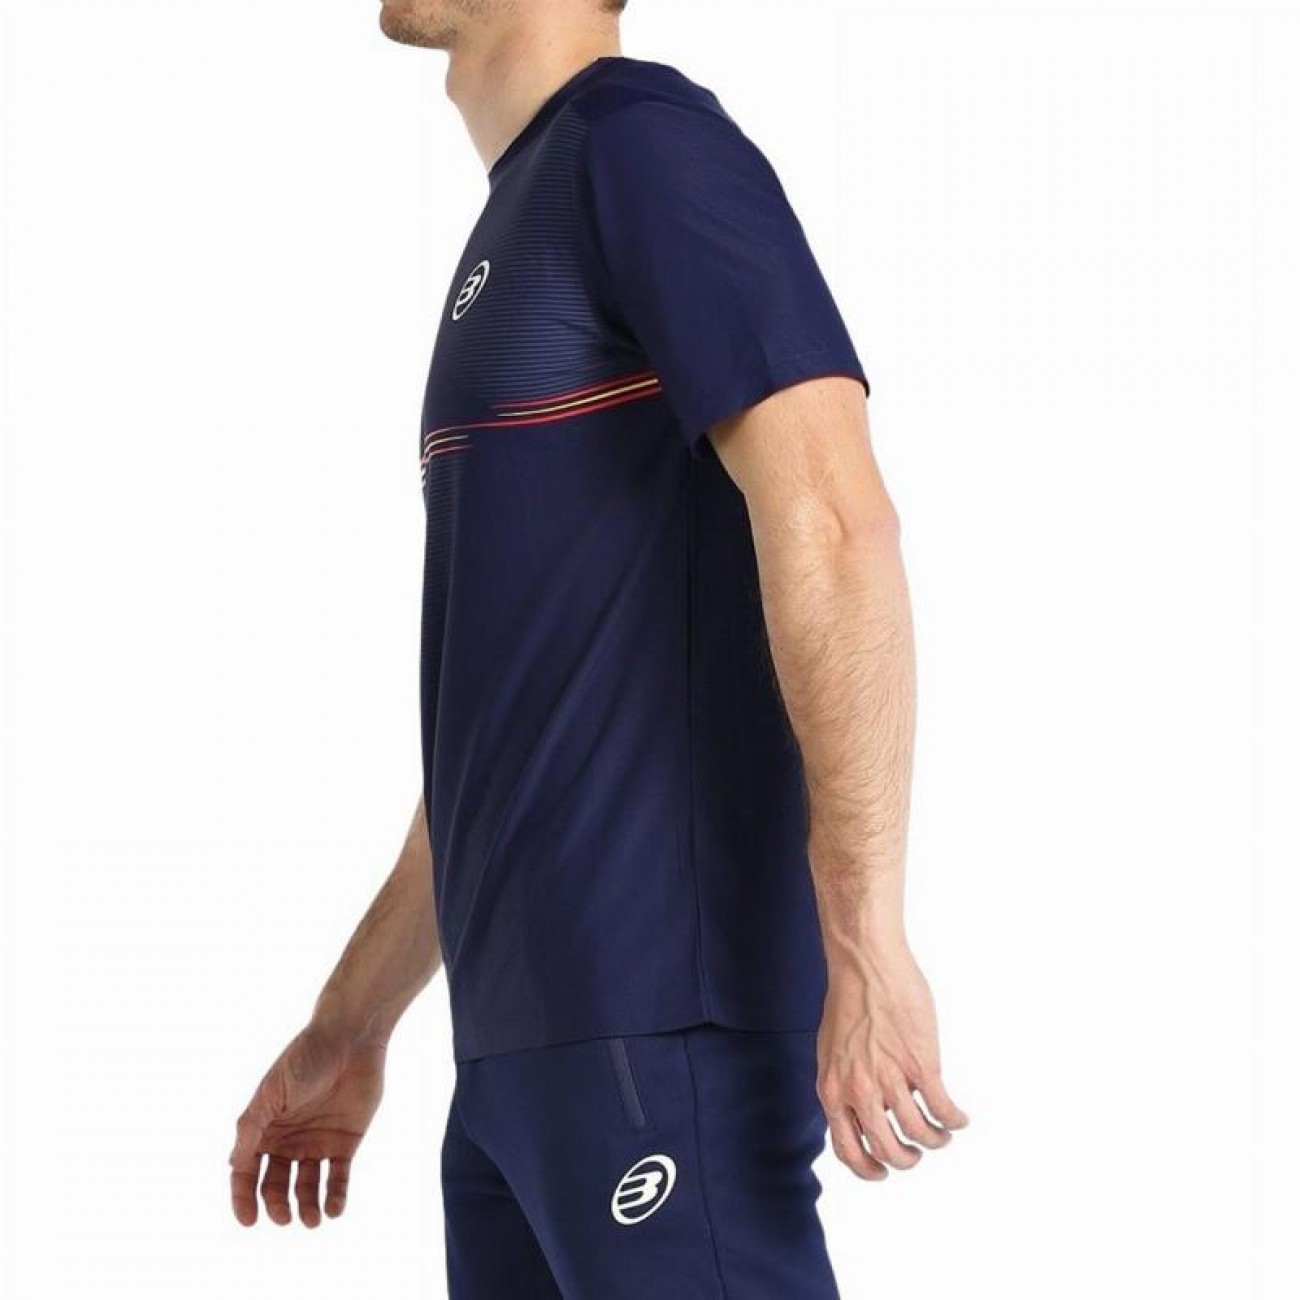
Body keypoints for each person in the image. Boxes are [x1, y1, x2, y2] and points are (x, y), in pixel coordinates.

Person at [229, 1, 968, 1294]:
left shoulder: (646, 149)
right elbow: (505, 730)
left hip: (657, 1027)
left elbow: (836, 521)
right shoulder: (536, 200)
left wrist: (865, 942)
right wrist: (349, 1025)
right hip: (522, 1059)